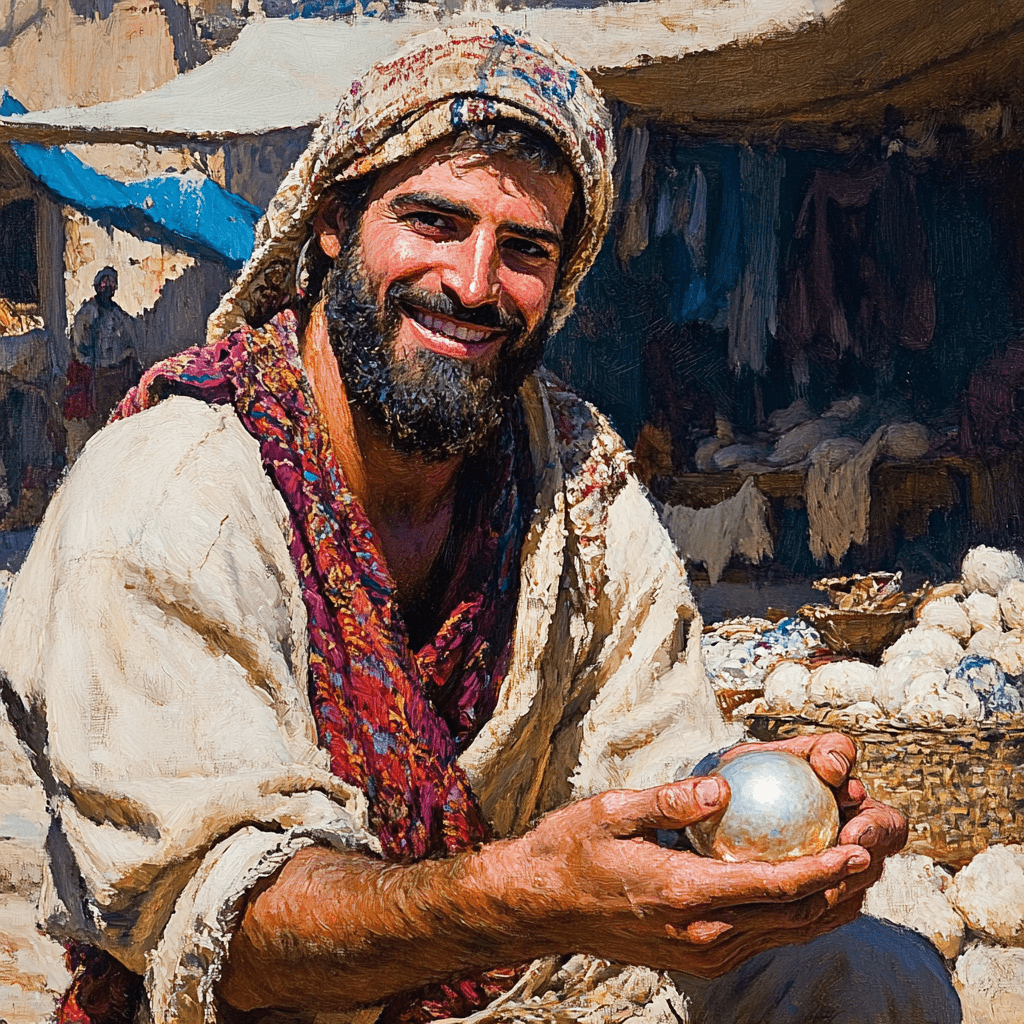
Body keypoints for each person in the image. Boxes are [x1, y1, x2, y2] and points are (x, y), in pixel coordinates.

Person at [0, 25, 959, 1024]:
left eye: (524, 251)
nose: (471, 283)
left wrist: (734, 808)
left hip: (537, 979)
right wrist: (521, 896)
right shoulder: (169, 493)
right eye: (432, 221)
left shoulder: (570, 469)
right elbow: (228, 930)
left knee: (873, 972)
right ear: (333, 222)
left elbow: (648, 756)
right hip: (273, 1002)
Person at [63, 266, 142, 461]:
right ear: (97, 285)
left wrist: (128, 357)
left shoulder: (117, 314)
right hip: (95, 374)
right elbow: (80, 343)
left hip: (114, 375)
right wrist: (90, 366)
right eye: (104, 282)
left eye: (112, 282)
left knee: (112, 415)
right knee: (94, 417)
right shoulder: (88, 312)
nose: (108, 286)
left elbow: (128, 341)